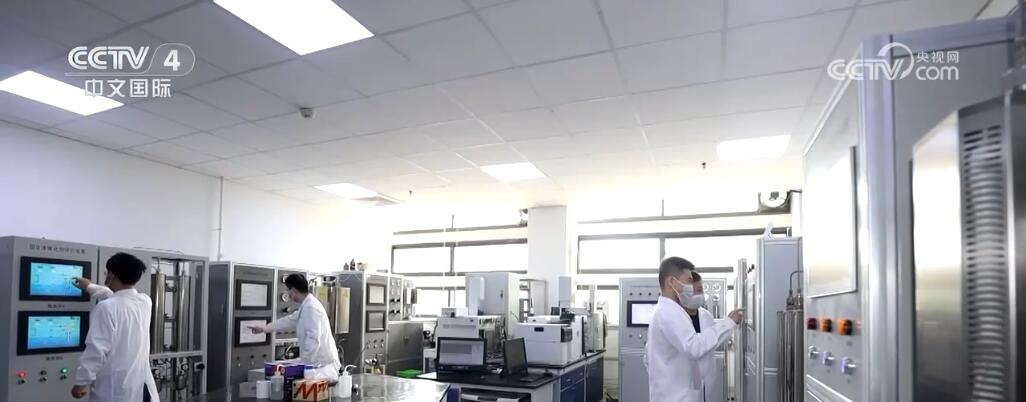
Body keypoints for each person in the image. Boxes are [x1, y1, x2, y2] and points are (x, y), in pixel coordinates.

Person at [646, 257, 743, 402]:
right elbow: (693, 347)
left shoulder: (669, 310)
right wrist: (728, 323)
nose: (691, 287)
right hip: (674, 397)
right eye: (688, 280)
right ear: (671, 282)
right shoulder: (668, 312)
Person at [71, 252, 159, 402]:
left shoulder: (105, 308)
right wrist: (89, 286)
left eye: (107, 273)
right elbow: (120, 299)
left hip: (115, 392)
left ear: (111, 275)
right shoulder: (145, 302)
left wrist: (81, 383)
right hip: (142, 389)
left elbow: (96, 350)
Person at [249, 274, 341, 379]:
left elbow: (314, 340)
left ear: (293, 291)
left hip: (322, 369)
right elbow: (289, 320)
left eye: (288, 290)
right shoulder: (306, 306)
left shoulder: (311, 308)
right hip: (316, 367)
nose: (288, 294)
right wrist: (265, 328)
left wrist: (304, 365)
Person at [685, 272, 730, 402]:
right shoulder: (674, 317)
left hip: (704, 382)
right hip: (682, 385)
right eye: (693, 291)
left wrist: (729, 324)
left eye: (700, 290)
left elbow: (713, 340)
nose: (698, 294)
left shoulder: (706, 316)